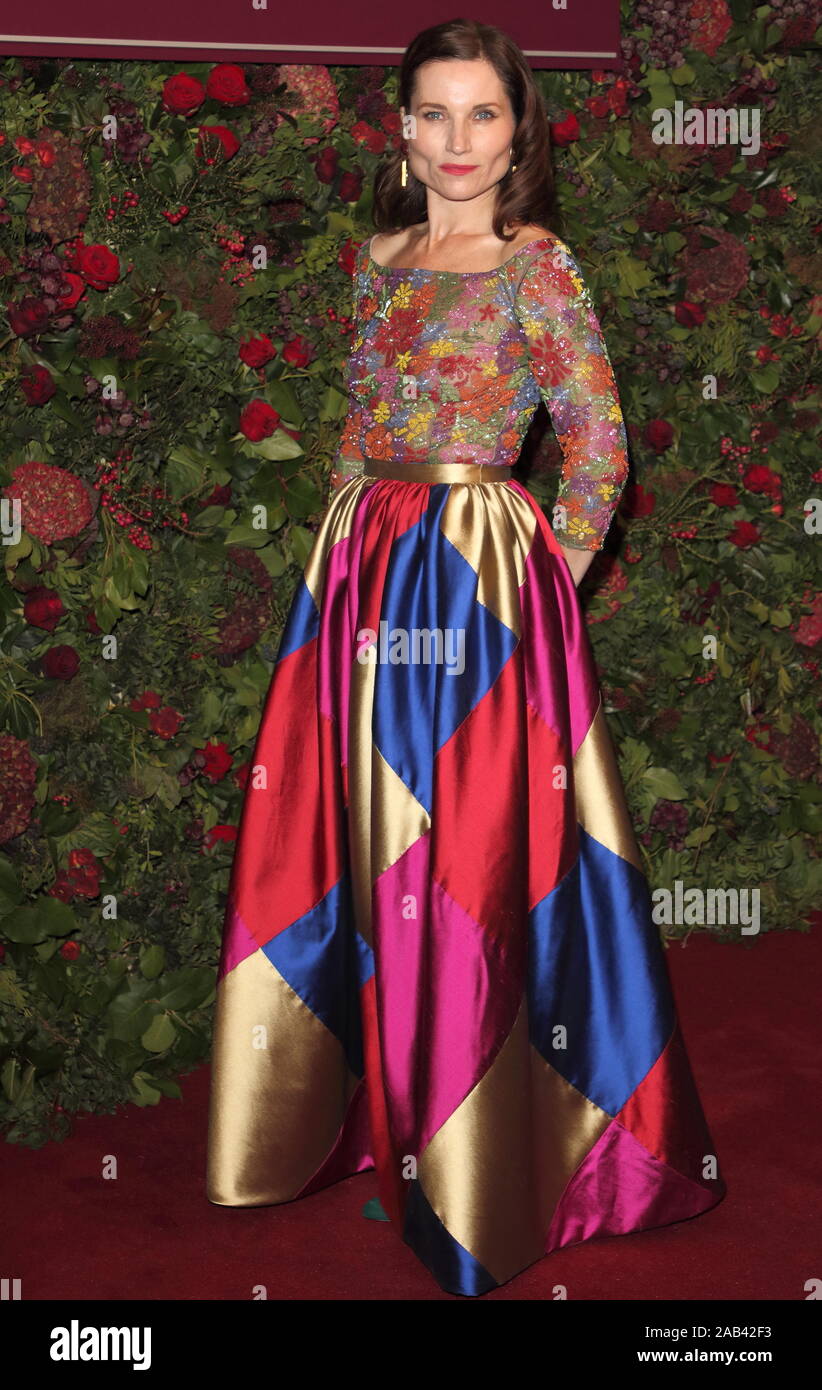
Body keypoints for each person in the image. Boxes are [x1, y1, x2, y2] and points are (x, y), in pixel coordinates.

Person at [206, 18, 726, 1298]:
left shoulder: (539, 268)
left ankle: (490, 1163)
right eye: (432, 114)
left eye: (480, 115)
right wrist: (329, 570)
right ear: (399, 127)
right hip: (362, 581)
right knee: (360, 845)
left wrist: (540, 578)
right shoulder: (374, 260)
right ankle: (363, 1117)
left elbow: (599, 450)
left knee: (474, 860)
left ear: (517, 133)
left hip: (480, 588)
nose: (455, 141)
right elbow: (352, 429)